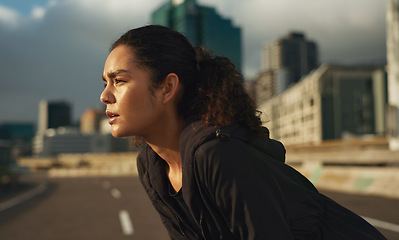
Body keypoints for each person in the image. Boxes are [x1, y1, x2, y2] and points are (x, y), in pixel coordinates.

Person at [100, 25, 386, 240]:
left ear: (167, 88)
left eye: (119, 81)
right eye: (105, 83)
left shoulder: (216, 155)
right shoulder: (151, 166)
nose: (105, 96)